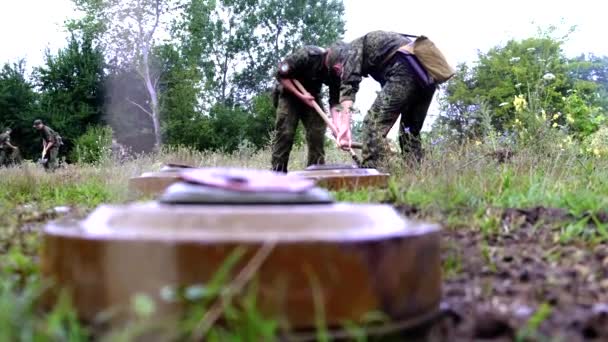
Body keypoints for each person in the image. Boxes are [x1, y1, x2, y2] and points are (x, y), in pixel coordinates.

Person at [332, 30, 438, 169]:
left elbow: (349, 87)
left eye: (338, 70)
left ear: (338, 62)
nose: (340, 73)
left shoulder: (350, 50)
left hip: (405, 71)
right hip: (428, 78)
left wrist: (344, 128)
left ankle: (373, 174)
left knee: (372, 123)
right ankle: (416, 174)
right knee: (409, 132)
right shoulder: (381, 50)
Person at [270, 43, 350, 173]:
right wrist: (301, 95)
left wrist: (336, 127)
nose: (338, 68)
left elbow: (334, 102)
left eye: (340, 67)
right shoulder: (307, 56)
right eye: (336, 65)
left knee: (317, 132)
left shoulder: (335, 72)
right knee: (286, 132)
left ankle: (316, 172)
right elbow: (281, 74)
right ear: (329, 55)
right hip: (289, 93)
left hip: (312, 95)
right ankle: (278, 173)